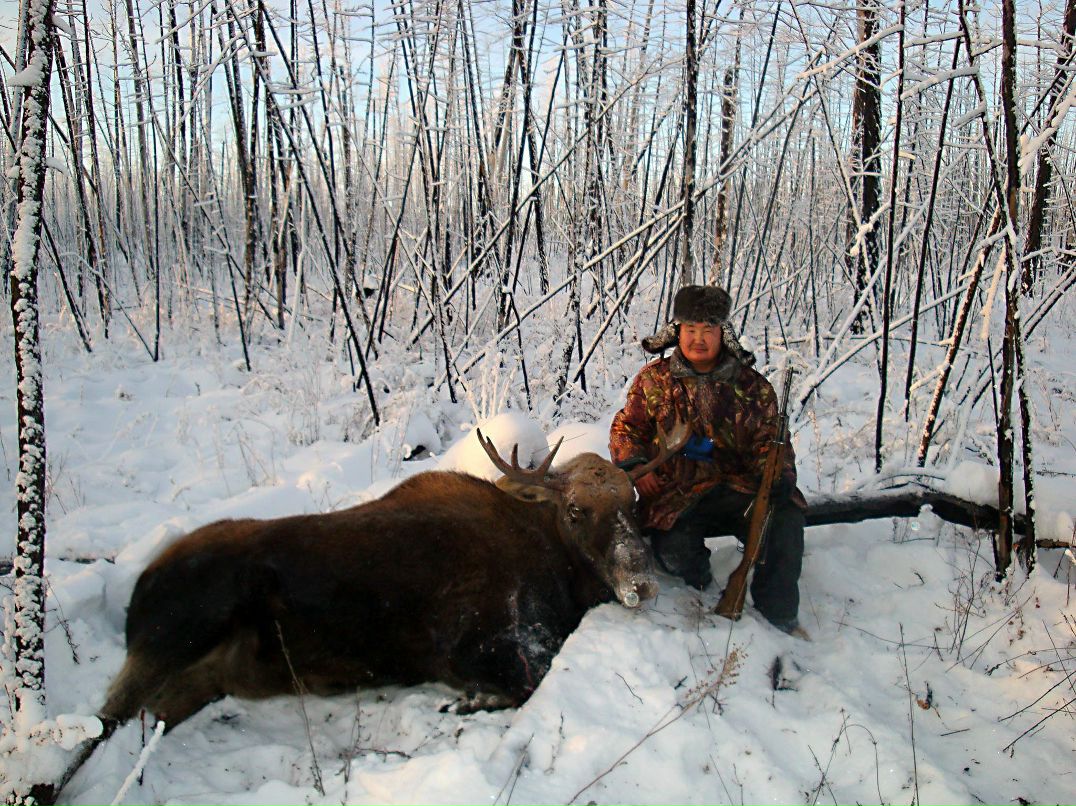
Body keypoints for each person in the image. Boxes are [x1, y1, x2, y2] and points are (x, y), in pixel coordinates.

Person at [609, 284, 808, 636]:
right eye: (690, 329)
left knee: (784, 518)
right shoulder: (654, 380)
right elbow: (627, 428)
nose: (698, 339)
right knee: (675, 553)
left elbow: (771, 441)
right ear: (678, 331)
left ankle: (779, 617)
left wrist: (776, 475)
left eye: (708, 330)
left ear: (722, 333)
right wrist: (636, 467)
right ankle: (702, 590)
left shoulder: (753, 387)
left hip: (738, 488)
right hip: (675, 495)